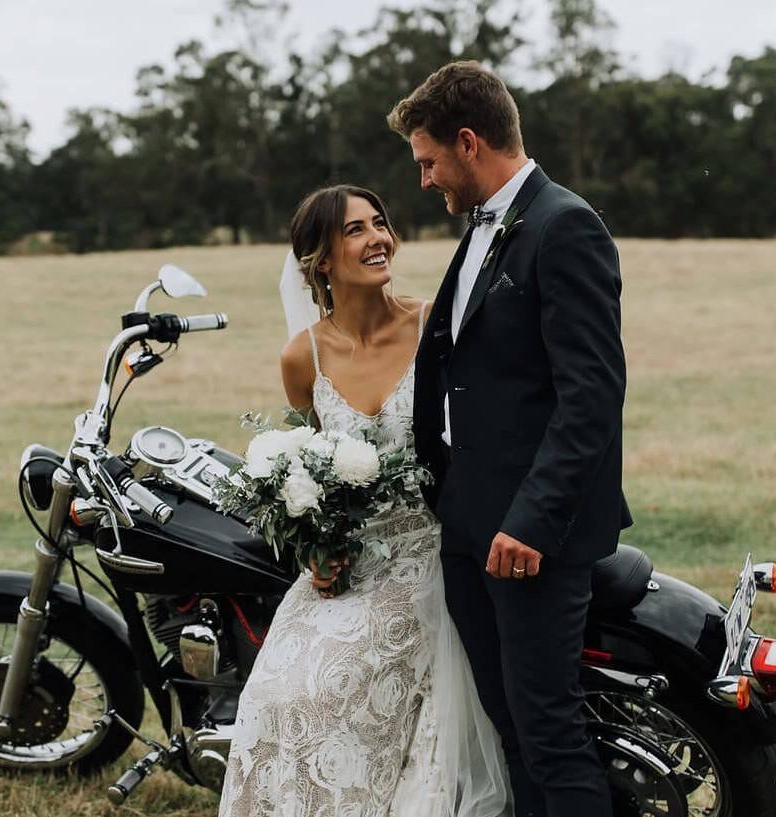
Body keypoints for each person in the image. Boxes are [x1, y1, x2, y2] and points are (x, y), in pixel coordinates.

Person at [217, 184, 512, 817]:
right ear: (320, 259)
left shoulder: (436, 322)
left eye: (380, 223)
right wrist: (318, 550)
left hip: (433, 555)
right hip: (350, 571)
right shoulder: (303, 358)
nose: (378, 238)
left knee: (342, 691)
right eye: (356, 230)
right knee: (275, 698)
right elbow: (317, 470)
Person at [388, 61, 632, 817]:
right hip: (468, 523)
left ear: (468, 143)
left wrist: (530, 519)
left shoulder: (565, 226)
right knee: (511, 733)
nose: (425, 180)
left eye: (429, 161)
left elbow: (591, 394)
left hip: (531, 536)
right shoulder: (484, 230)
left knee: (549, 733)